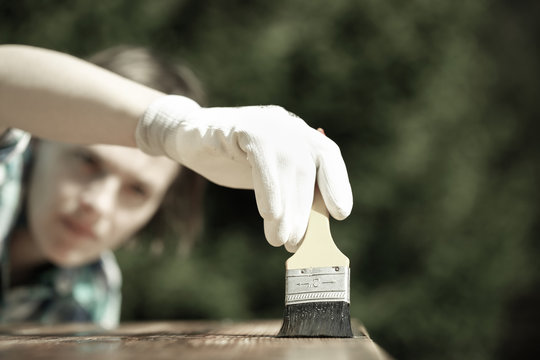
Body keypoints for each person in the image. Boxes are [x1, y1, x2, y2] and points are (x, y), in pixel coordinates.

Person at [0, 44, 353, 327]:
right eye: (89, 162)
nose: (100, 204)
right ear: (42, 135)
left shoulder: (93, 291)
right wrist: (170, 126)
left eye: (138, 190)